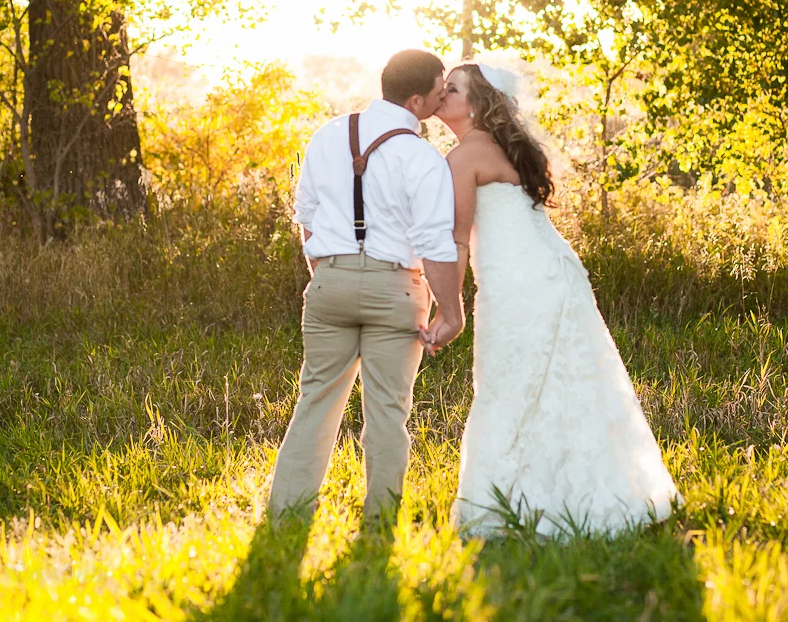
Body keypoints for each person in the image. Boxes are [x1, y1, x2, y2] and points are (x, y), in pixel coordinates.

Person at [429, 62, 682, 536]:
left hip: (518, 284)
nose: (442, 95)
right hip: (555, 274)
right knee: (566, 384)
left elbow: (456, 240)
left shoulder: (463, 157)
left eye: (453, 89)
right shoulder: (505, 149)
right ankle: (581, 495)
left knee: (509, 385)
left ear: (479, 103)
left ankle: (509, 508)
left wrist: (448, 310)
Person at [268, 49, 465, 521]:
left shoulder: (328, 135)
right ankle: (380, 521)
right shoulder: (422, 156)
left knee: (314, 401)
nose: (443, 97)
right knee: (387, 414)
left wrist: (329, 275)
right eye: (440, 89)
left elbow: (307, 218)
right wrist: (451, 312)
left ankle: (287, 516)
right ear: (417, 100)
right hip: (395, 287)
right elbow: (435, 242)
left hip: (329, 281)